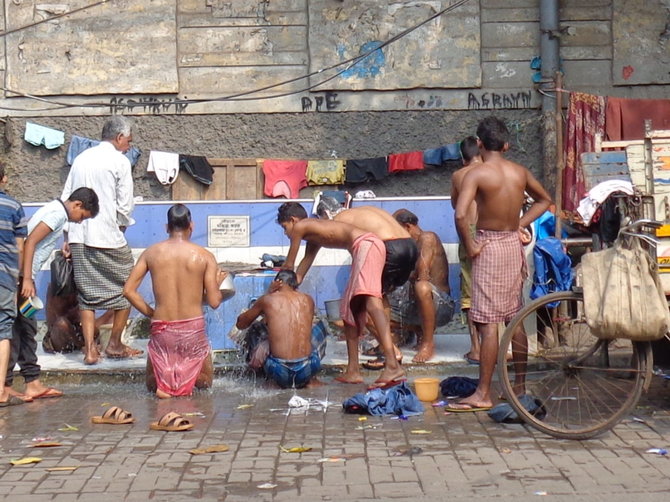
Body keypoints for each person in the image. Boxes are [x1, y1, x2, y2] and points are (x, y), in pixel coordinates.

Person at [452, 116, 551, 411]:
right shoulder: (518, 171)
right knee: (514, 316)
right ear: (506, 144)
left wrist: (470, 245)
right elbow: (545, 200)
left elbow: (459, 215)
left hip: (489, 245)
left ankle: (483, 392)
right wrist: (519, 224)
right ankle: (517, 386)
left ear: (480, 144)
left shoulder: (477, 173)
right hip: (511, 244)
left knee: (487, 322)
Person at [277, 202, 404, 387]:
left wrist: (277, 285)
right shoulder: (314, 235)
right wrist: (291, 287)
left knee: (371, 302)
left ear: (292, 220)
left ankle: (392, 364)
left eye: (284, 227)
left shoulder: (301, 226)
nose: (285, 232)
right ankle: (353, 370)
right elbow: (301, 269)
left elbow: (289, 265)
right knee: (349, 311)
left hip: (367, 246)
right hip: (366, 248)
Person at [61, 116, 142, 365]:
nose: (128, 145)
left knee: (86, 296)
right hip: (109, 236)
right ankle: (115, 344)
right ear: (119, 138)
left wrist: (66, 234)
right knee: (128, 289)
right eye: (128, 141)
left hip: (78, 236)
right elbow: (125, 205)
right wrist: (120, 227)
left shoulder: (81, 158)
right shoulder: (120, 160)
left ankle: (89, 351)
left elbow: (66, 198)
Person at [123, 204, 227, 399]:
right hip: (193, 328)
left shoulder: (151, 253)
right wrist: (217, 285)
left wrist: (151, 313)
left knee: (154, 385)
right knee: (204, 385)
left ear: (166, 227)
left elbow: (128, 291)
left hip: (162, 326)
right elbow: (214, 302)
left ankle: (165, 399)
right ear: (191, 226)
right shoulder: (204, 256)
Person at [5, 187, 98, 402]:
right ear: (77, 205)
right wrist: (26, 278)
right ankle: (19, 383)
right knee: (22, 328)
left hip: (22, 275)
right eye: (82, 216)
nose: (80, 221)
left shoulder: (56, 211)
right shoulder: (57, 215)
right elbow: (30, 242)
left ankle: (27, 381)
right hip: (21, 277)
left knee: (23, 327)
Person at [316, 199, 418, 366]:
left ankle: (391, 352)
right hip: (409, 246)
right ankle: (385, 347)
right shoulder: (361, 212)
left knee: (361, 303)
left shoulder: (339, 221)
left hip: (389, 247)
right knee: (380, 298)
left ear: (326, 216)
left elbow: (361, 255)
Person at [235, 270, 325, 388]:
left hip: (278, 371)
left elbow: (241, 324)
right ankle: (311, 379)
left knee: (255, 328)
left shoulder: (267, 299)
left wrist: (268, 292)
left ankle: (265, 377)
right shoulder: (308, 300)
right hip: (308, 369)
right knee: (319, 326)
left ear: (277, 282)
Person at [392, 209, 454, 363]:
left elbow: (422, 274)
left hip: (441, 306)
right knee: (375, 298)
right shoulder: (410, 245)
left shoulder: (427, 238)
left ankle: (427, 343)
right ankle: (413, 332)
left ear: (407, 227)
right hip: (416, 305)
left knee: (422, 286)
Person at [451, 136, 483, 364]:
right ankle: (504, 347)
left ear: (463, 159)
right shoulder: (494, 171)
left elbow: (456, 206)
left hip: (468, 233)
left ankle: (476, 348)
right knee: (497, 291)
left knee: (470, 293)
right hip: (494, 231)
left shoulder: (459, 176)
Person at [0, 163, 27, 407]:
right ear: (4, 179)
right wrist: (21, 278)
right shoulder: (14, 206)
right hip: (4, 276)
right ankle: (0, 390)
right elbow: (20, 247)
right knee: (3, 331)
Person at [42, 283, 114, 354]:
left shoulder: (83, 283)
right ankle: (88, 347)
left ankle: (91, 345)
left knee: (111, 312)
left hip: (79, 331)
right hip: (60, 337)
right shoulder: (57, 287)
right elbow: (57, 324)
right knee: (62, 324)